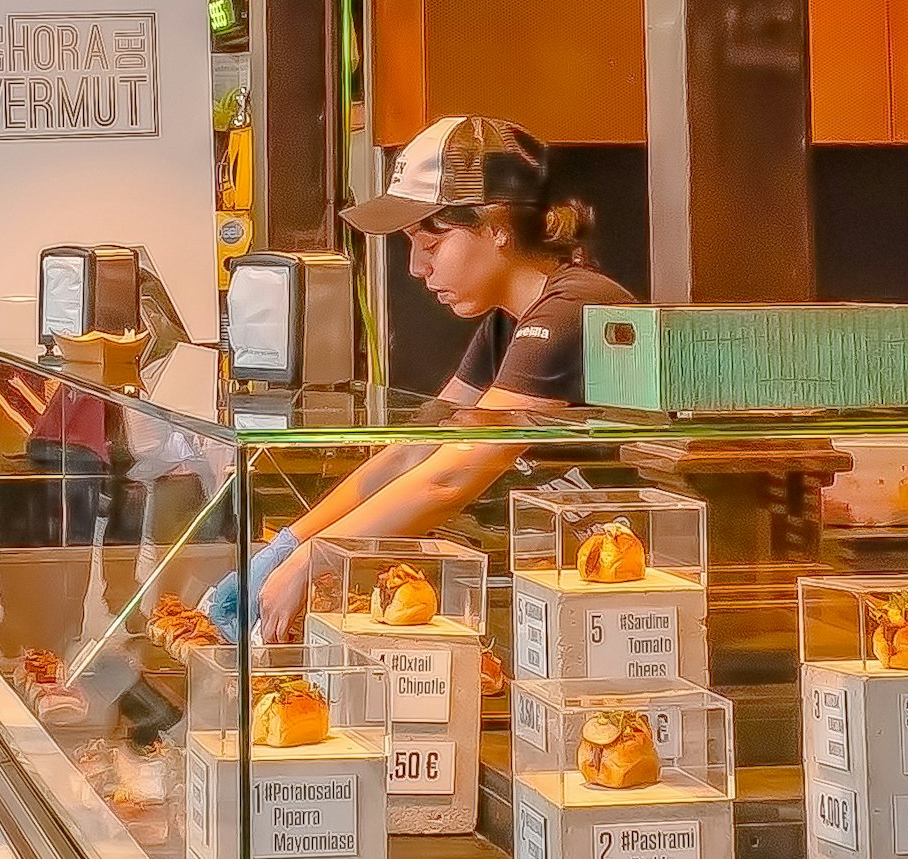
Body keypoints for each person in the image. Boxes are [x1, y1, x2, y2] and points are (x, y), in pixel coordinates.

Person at [239, 118, 637, 639]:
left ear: (496, 226)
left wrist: (314, 561)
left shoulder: (572, 308)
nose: (415, 269)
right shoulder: (508, 319)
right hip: (565, 578)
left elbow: (449, 476)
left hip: (625, 587)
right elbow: (415, 450)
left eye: (430, 243)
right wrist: (288, 544)